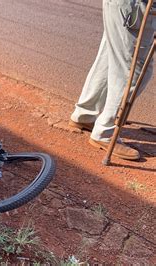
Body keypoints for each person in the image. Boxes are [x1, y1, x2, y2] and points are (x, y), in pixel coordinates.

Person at [69, 0, 154, 160]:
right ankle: (105, 132)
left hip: (125, 6)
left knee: (110, 54)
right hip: (136, 7)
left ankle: (85, 114)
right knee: (136, 69)